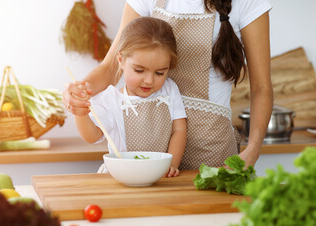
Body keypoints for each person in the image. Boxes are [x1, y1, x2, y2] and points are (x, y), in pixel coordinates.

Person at [63, 0, 273, 169]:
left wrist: (253, 150)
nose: (148, 79)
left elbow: (261, 87)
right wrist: (80, 91)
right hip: (152, 149)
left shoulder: (247, 3)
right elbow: (112, 67)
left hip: (212, 149)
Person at [68, 17, 187, 177]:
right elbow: (92, 136)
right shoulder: (111, 99)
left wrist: (172, 164)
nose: (149, 80)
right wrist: (80, 113)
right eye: (139, 70)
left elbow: (179, 130)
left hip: (158, 176)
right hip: (120, 177)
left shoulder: (170, 89)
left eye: (160, 73)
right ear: (121, 61)